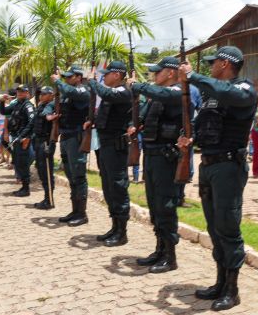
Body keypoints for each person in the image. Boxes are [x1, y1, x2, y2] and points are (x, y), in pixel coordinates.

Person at [178, 46, 257, 311]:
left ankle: (232, 290)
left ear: (225, 64)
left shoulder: (244, 89)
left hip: (228, 167)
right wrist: (190, 138)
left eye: (214, 63)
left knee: (228, 227)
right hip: (209, 165)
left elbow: (227, 93)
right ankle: (220, 282)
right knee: (214, 227)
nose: (211, 67)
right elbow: (205, 124)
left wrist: (194, 76)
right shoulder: (213, 95)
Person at [130, 56, 184, 273]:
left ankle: (170, 256)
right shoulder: (157, 96)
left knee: (166, 205)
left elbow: (160, 92)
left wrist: (138, 85)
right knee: (154, 204)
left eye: (158, 72)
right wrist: (134, 124)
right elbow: (142, 117)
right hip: (151, 155)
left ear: (170, 73)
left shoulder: (177, 91)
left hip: (166, 157)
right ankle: (160, 249)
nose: (154, 75)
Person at [86, 60, 132, 246]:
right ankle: (114, 226)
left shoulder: (122, 92)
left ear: (117, 75)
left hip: (116, 146)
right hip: (106, 145)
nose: (103, 76)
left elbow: (105, 93)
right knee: (108, 186)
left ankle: (122, 232)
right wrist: (93, 121)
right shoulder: (110, 94)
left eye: (107, 73)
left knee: (118, 186)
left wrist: (92, 81)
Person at [51, 64, 91, 226]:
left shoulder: (82, 90)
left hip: (77, 137)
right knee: (70, 175)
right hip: (67, 136)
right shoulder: (68, 93)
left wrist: (58, 82)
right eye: (65, 77)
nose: (67, 79)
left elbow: (70, 92)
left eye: (70, 76)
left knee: (78, 175)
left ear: (79, 77)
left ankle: (82, 213)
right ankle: (75, 210)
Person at [0, 85, 35, 197]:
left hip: (22, 139)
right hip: (16, 138)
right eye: (18, 91)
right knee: (18, 163)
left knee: (23, 163)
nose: (20, 93)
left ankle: (26, 188)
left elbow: (31, 122)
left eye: (23, 92)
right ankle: (24, 187)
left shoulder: (28, 105)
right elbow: (4, 111)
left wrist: (23, 136)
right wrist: (2, 102)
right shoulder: (17, 104)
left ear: (28, 93)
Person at [32, 86, 56, 209]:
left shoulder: (52, 105)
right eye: (41, 93)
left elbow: (49, 118)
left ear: (51, 94)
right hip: (38, 141)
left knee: (47, 171)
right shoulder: (41, 105)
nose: (41, 95)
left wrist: (51, 117)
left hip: (46, 142)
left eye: (44, 94)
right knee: (41, 171)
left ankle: (49, 200)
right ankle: (47, 198)